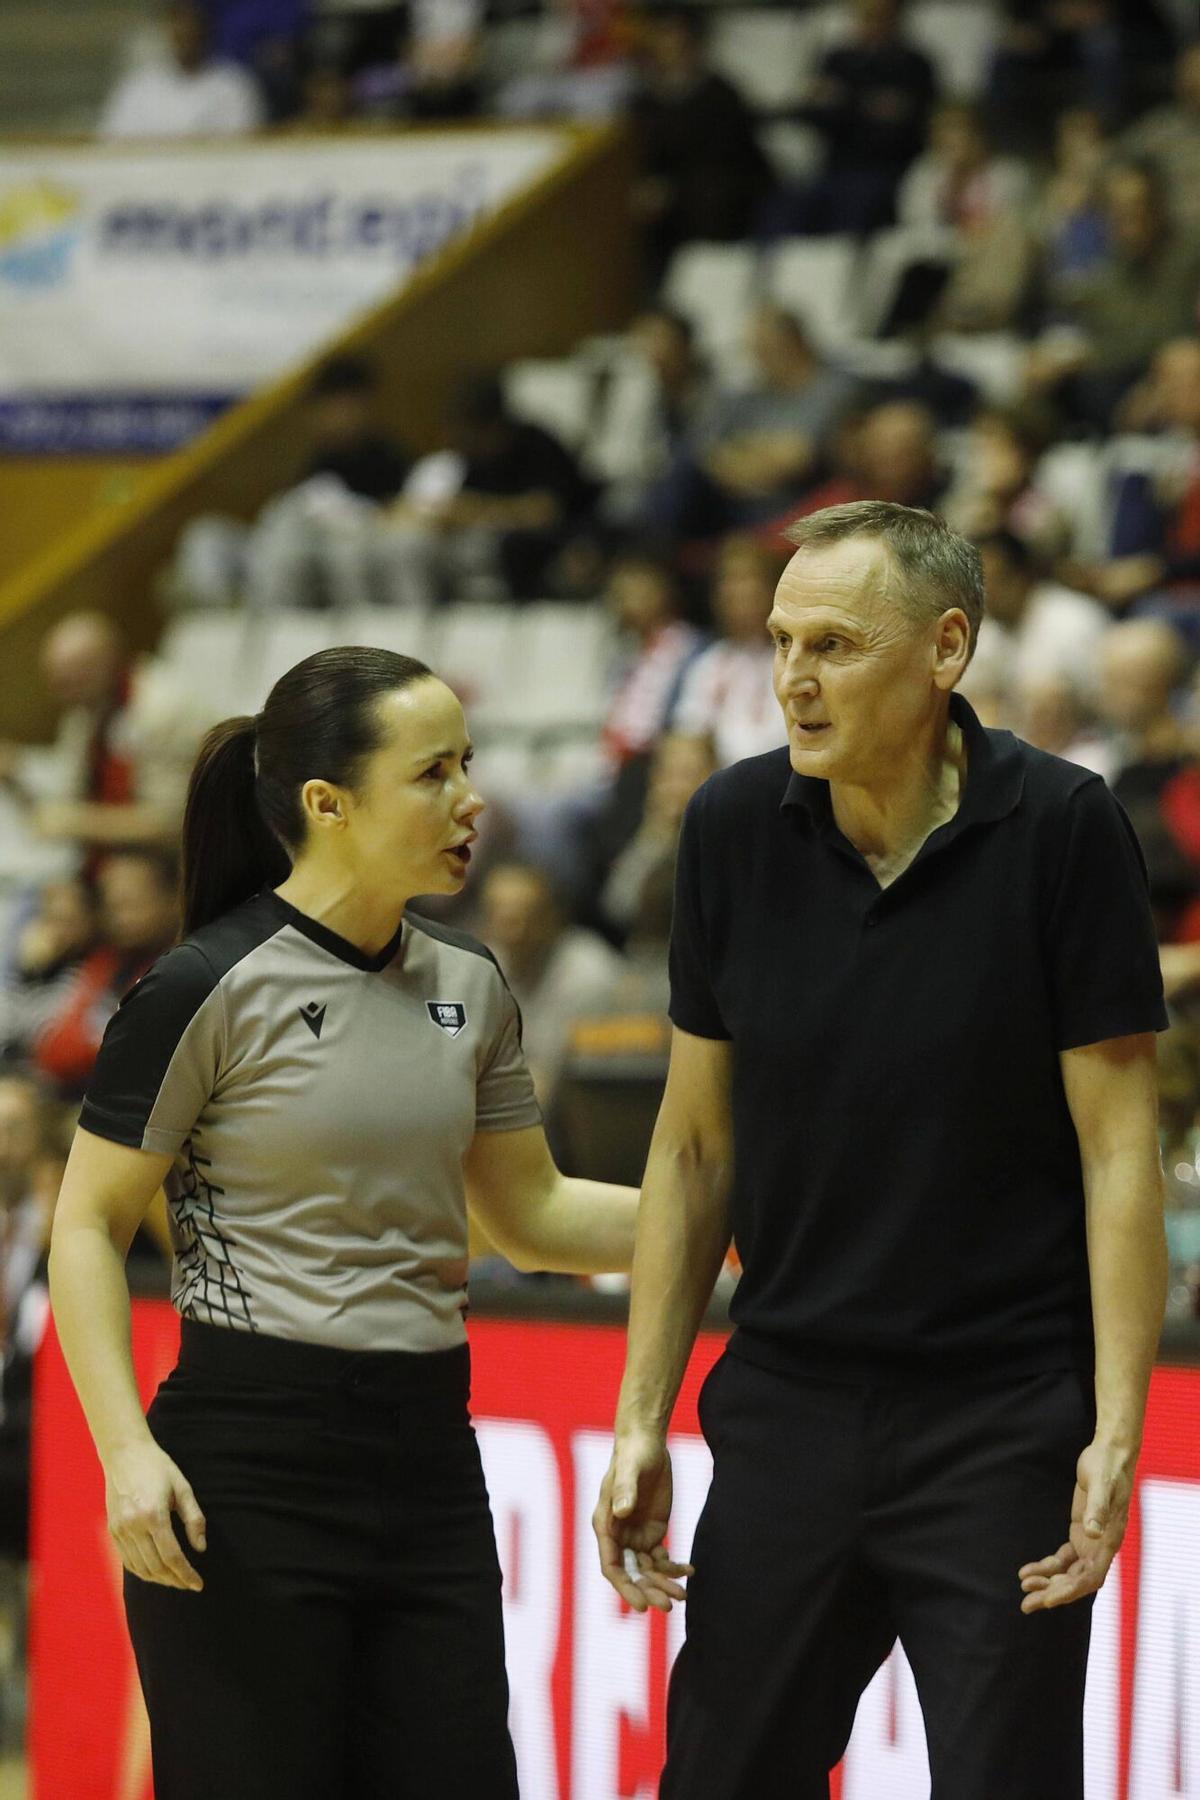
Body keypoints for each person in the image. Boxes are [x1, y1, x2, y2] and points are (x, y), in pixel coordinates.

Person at [591, 501, 1168, 1798]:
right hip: (789, 1406)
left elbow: (1119, 1154)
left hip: (1002, 1421)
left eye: (837, 645)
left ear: (946, 648)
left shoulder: (1066, 827)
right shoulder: (733, 829)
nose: (793, 676)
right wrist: (641, 1414)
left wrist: (1116, 1427)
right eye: (783, 640)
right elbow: (691, 1153)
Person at [48, 645, 645, 1800]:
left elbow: (533, 1216)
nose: (472, 798)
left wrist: (737, 1220)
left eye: (468, 764)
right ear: (328, 804)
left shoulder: (471, 985)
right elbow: (87, 1224)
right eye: (433, 773)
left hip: (428, 1467)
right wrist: (126, 1453)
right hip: (246, 1470)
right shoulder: (201, 987)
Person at [98, 0, 265, 139]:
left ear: (207, 29)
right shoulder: (139, 86)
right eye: (178, 22)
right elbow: (112, 143)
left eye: (193, 23)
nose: (186, 31)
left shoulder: (234, 86)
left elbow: (243, 150)